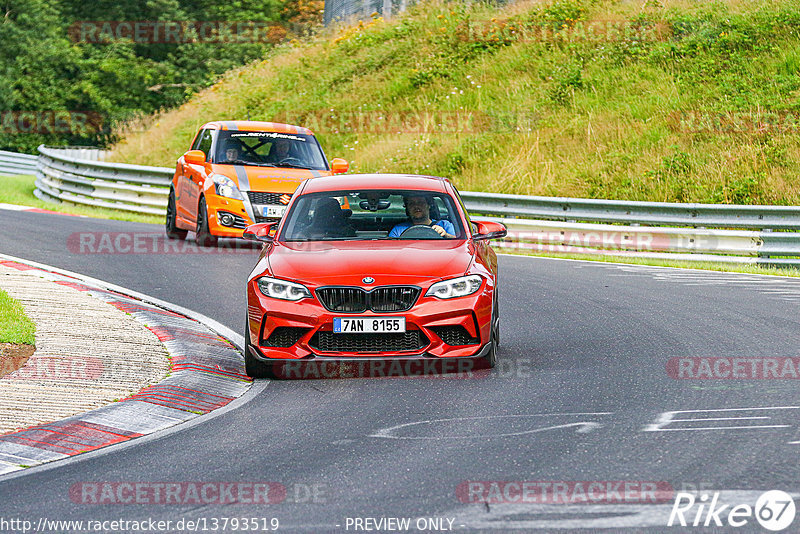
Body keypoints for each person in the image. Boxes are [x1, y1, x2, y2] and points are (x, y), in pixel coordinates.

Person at [389, 194, 455, 238]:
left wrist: (446, 235)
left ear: (429, 205)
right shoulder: (398, 230)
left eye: (420, 202)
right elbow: (391, 248)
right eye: (412, 203)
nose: (416, 206)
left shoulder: (444, 225)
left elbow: (460, 243)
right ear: (407, 208)